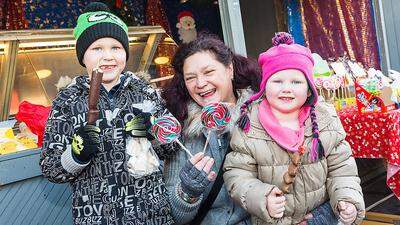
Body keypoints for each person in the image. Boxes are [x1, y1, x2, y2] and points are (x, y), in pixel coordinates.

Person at [40, 2, 178, 225]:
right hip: (96, 216)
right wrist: (76, 154)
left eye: (116, 47)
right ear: (82, 56)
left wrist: (153, 130)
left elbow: (172, 145)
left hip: (152, 213)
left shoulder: (144, 91)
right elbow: (50, 167)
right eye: (97, 48)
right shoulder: (67, 101)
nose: (108, 56)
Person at [223, 32, 366, 225]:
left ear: (309, 89)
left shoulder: (325, 120)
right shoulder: (250, 124)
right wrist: (262, 198)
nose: (286, 88)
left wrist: (347, 199)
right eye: (277, 81)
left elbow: (341, 168)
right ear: (264, 87)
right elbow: (237, 174)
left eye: (296, 82)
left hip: (319, 217)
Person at [161, 34, 261, 225]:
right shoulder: (182, 133)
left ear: (229, 69)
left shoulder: (262, 115)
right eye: (191, 78)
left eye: (208, 72)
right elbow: (175, 216)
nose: (200, 83)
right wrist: (188, 190)